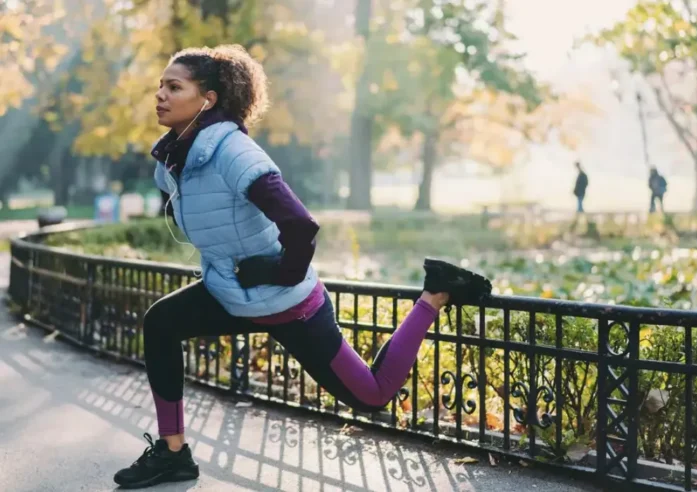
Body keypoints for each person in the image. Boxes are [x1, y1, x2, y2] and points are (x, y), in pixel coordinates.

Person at [113, 44, 492, 489]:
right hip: (232, 293)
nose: (160, 94)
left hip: (289, 304)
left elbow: (300, 225)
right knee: (160, 322)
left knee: (373, 394)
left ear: (208, 99)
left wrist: (278, 273)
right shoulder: (174, 162)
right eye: (160, 85)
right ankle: (173, 454)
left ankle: (436, 292)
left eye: (174, 87)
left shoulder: (235, 153)